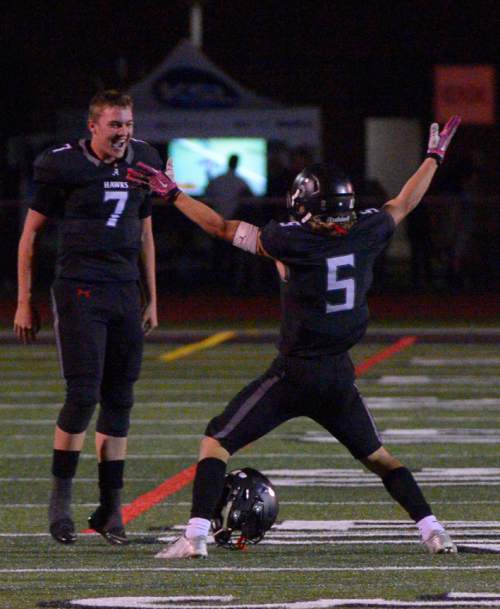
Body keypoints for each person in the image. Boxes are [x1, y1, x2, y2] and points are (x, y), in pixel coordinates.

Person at [127, 116, 461, 559]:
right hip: (338, 375)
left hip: (293, 374)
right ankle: (433, 530)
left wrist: (172, 194)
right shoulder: (366, 230)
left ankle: (195, 535)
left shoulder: (293, 241)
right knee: (381, 459)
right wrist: (433, 158)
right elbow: (404, 202)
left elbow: (220, 228)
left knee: (215, 441)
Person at [14, 90, 161, 545]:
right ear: (93, 126)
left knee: (120, 399)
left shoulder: (146, 160)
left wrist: (152, 296)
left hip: (122, 290)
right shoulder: (63, 164)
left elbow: (145, 234)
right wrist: (24, 299)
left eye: (129, 124)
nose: (124, 133)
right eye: (115, 125)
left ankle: (110, 509)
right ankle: (60, 502)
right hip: (79, 287)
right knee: (82, 395)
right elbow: (30, 236)